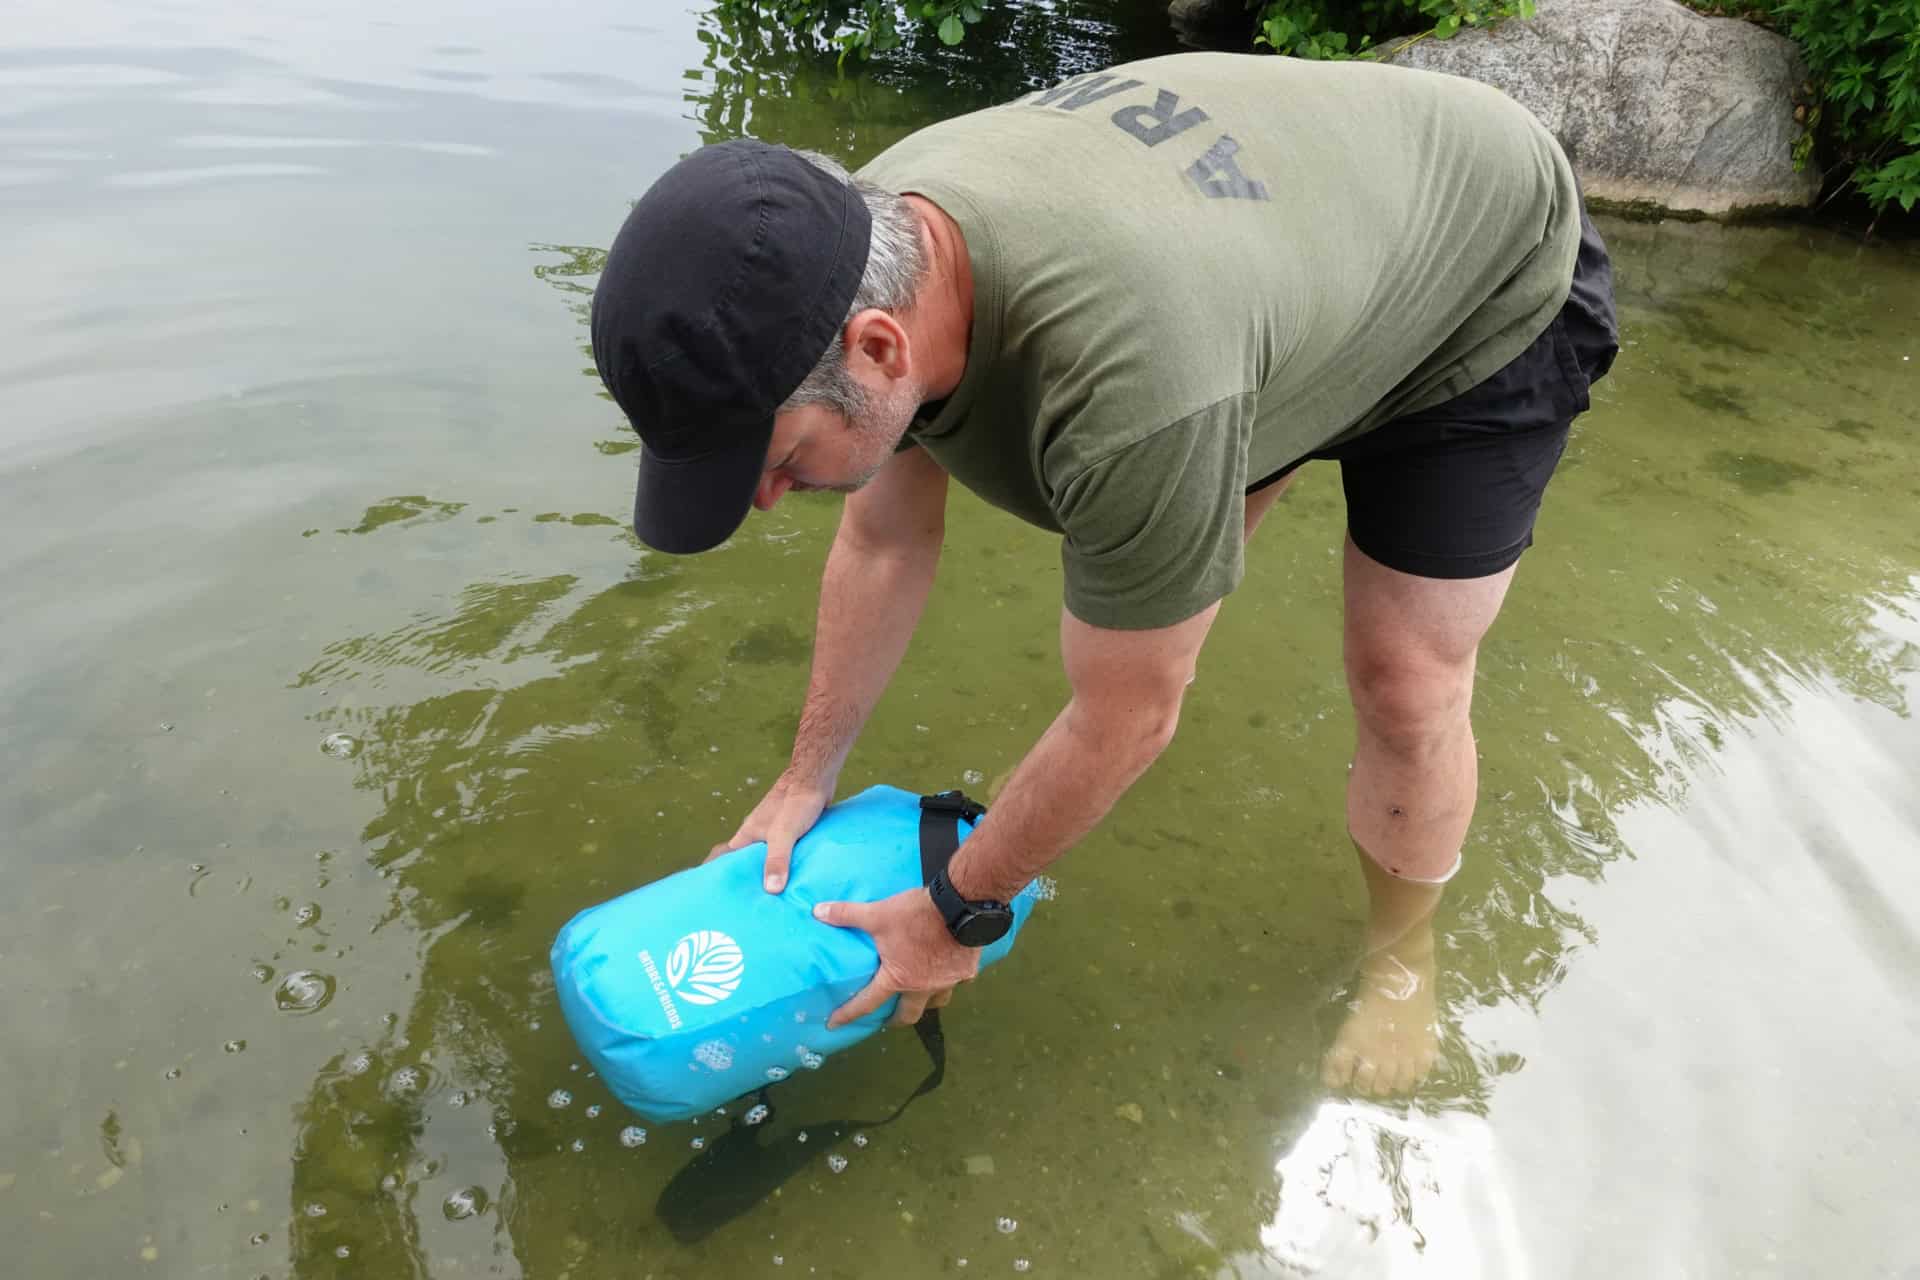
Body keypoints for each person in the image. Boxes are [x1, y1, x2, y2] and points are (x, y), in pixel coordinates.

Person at [589, 51, 1618, 1095]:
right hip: (1271, 275)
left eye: (778, 460)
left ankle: (1404, 956)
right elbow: (883, 542)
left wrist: (958, 912)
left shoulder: (1131, 391)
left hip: (1479, 267)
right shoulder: (864, 245)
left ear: (881, 349)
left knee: (1404, 679)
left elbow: (1133, 716)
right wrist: (804, 778)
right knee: (1158, 563)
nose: (768, 499)